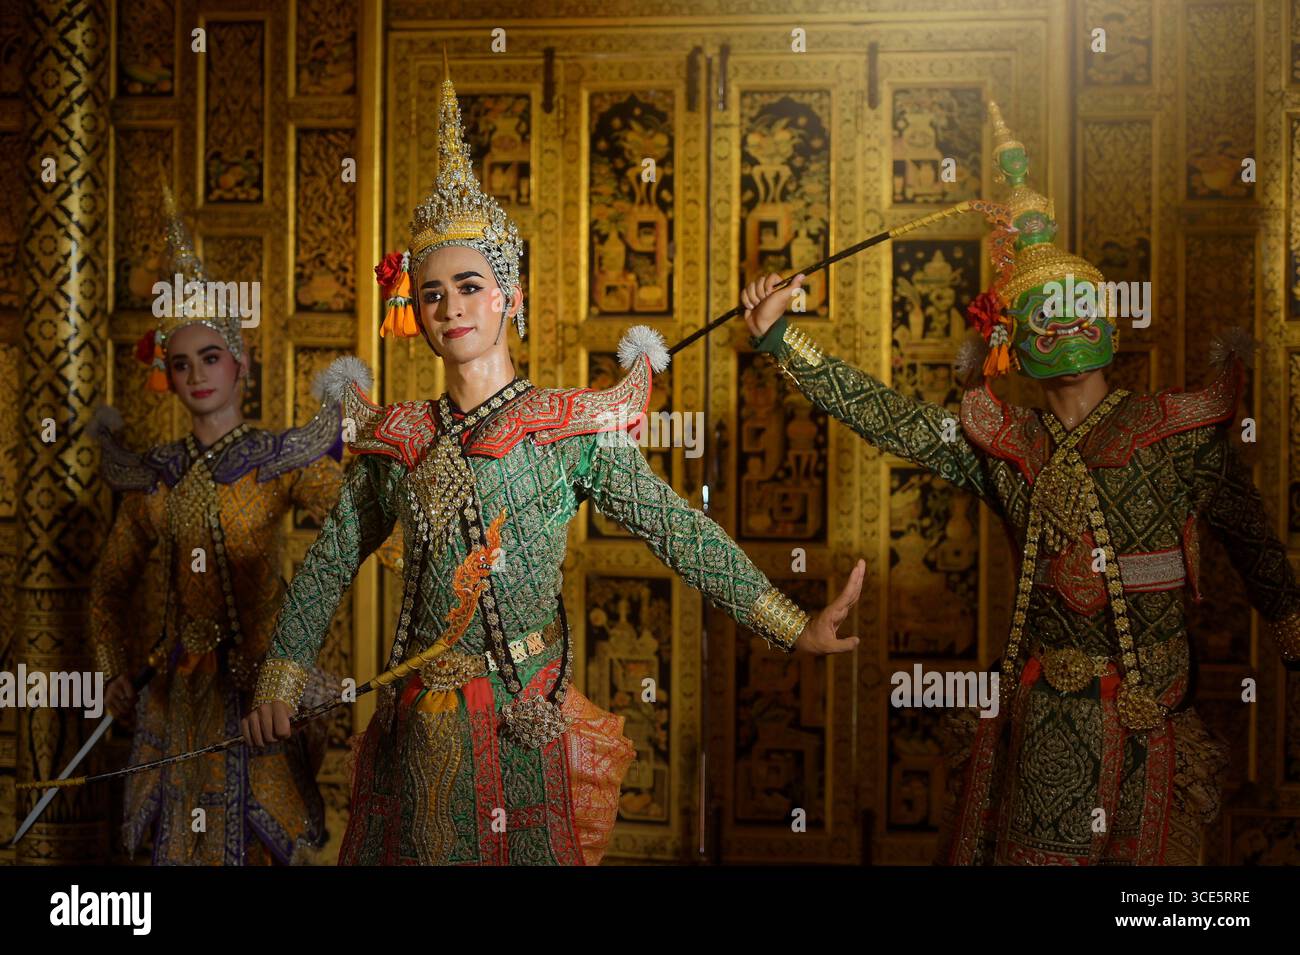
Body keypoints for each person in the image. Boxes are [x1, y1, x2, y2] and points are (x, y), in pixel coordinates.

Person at [242, 60, 865, 866]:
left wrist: (790, 623)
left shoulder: (569, 429)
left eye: (471, 285)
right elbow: (328, 563)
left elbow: (681, 531)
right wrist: (280, 676)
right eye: (432, 294)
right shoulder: (395, 442)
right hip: (415, 729)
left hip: (521, 719)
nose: (452, 307)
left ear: (509, 296)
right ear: (414, 312)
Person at [742, 102, 1300, 865]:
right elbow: (895, 421)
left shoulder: (1180, 436)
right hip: (1042, 729)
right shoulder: (1006, 444)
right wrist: (782, 337)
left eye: (1082, 309)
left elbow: (1263, 558)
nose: (1068, 325)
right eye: (1049, 313)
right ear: (1011, 342)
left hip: (1151, 728)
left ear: (1109, 323)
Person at [89, 188, 350, 864]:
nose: (197, 374)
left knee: (258, 842)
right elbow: (107, 586)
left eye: (210, 358)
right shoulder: (157, 477)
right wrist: (114, 668)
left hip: (260, 691)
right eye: (181, 363)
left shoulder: (278, 462)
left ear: (240, 363)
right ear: (167, 377)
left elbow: (355, 526)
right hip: (175, 698)